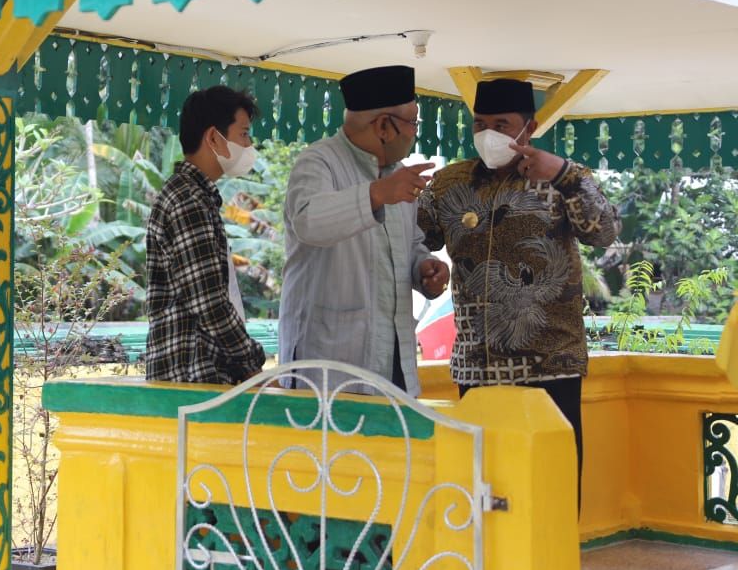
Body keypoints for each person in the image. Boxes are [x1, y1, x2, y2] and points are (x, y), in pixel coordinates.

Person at [417, 78, 619, 492]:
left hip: (550, 362)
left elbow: (604, 232)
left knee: (552, 482)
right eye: (480, 124)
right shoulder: (449, 184)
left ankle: (554, 558)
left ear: (530, 126)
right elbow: (414, 242)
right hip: (477, 364)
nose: (488, 134)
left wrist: (563, 175)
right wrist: (425, 268)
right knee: (483, 482)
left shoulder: (564, 178)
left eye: (502, 124)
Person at [279, 65, 449, 395]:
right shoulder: (318, 162)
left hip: (394, 362)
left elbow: (409, 245)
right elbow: (309, 221)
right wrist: (376, 194)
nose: (415, 132)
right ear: (384, 126)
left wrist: (423, 269)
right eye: (413, 122)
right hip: (329, 367)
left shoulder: (397, 174)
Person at [145, 86, 267, 385]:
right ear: (213, 137)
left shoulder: (193, 195)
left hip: (193, 374)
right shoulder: (188, 200)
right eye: (243, 134)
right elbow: (208, 302)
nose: (249, 145)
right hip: (194, 376)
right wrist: (253, 368)